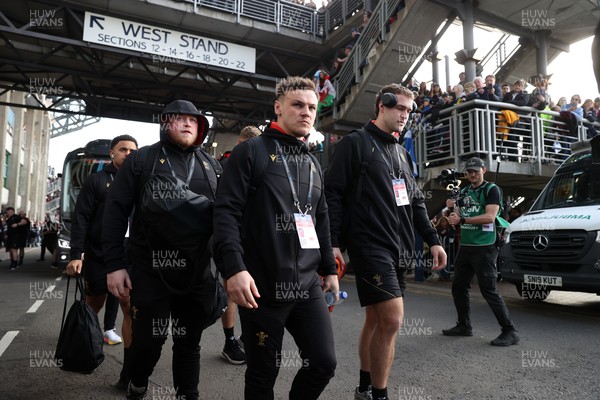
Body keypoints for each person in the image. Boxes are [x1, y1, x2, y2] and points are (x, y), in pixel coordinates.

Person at [213, 76, 338, 400]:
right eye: (297, 105)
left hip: (308, 283)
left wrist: (330, 269)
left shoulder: (312, 162)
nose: (306, 112)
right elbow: (225, 214)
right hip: (261, 285)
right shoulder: (250, 153)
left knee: (323, 363)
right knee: (263, 372)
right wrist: (233, 269)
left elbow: (320, 219)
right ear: (278, 107)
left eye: (312, 106)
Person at [324, 83, 446, 400]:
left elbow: (416, 202)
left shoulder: (403, 154)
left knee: (377, 319)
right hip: (368, 246)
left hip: (399, 248)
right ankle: (380, 394)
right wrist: (333, 242)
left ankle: (365, 385)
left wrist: (433, 240)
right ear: (382, 105)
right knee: (392, 319)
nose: (405, 114)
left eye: (409, 110)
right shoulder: (355, 144)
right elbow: (333, 194)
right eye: (399, 108)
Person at [102, 100, 220, 400]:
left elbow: (228, 219)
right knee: (148, 342)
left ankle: (187, 394)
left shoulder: (212, 166)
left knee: (189, 342)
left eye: (194, 120)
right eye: (178, 118)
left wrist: (234, 269)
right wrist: (114, 265)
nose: (187, 123)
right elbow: (115, 213)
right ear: (165, 123)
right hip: (150, 271)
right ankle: (138, 381)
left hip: (197, 273)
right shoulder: (141, 160)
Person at [65, 135, 138, 389]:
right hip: (99, 256)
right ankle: (81, 350)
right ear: (112, 153)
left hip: (130, 257)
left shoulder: (141, 182)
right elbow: (81, 218)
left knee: (130, 309)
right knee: (91, 308)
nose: (128, 153)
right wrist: (76, 255)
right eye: (123, 149)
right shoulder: (96, 181)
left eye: (132, 150)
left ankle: (128, 374)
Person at [442, 157, 519, 346]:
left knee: (489, 290)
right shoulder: (465, 191)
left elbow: (490, 217)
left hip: (485, 246)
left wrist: (462, 221)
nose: (472, 174)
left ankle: (510, 331)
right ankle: (464, 325)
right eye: (469, 171)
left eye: (476, 170)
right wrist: (452, 213)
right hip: (466, 246)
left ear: (483, 170)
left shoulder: (491, 189)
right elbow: (458, 215)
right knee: (458, 286)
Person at [218, 125, 262, 366]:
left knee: (255, 290)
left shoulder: (263, 163)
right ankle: (230, 341)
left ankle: (247, 339)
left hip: (256, 241)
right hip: (231, 239)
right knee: (232, 292)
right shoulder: (224, 165)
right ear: (239, 144)